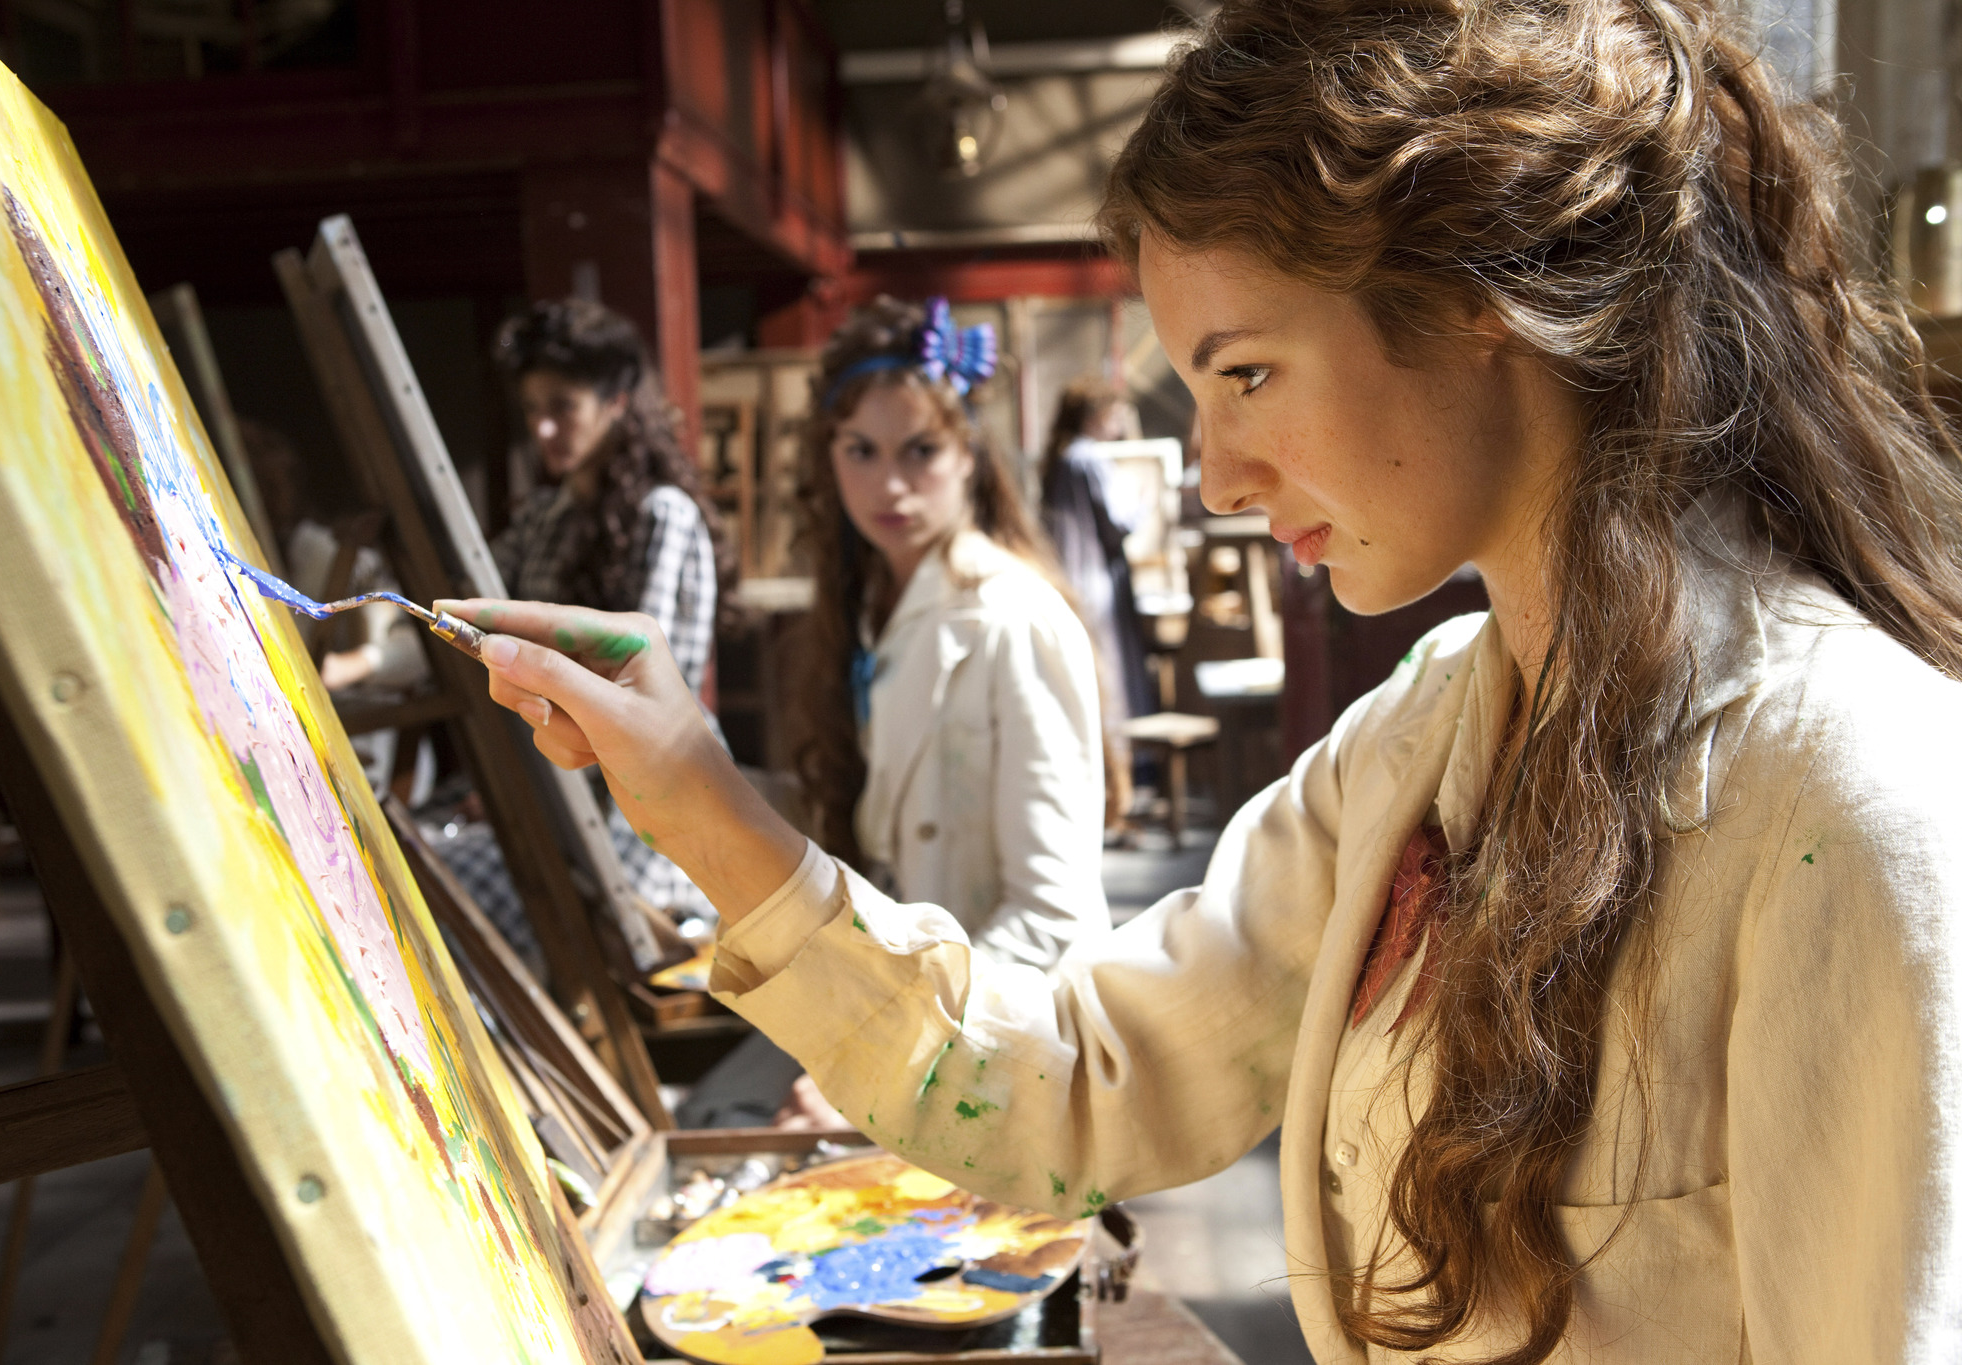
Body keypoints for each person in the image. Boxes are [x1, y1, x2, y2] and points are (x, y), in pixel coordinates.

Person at [451, 0, 1962, 1358]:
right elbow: (1077, 1081)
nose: (1219, 473)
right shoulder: (1429, 737)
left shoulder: (1850, 796)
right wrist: (701, 804)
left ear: (1476, 301)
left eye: (1245, 374)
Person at [686, 296, 1114, 1129]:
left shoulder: (1008, 617)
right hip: (906, 996)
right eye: (861, 451)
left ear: (968, 455)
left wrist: (897, 1058)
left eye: (920, 450)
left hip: (999, 1038)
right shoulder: (870, 606)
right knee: (717, 1113)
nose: (889, 485)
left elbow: (1051, 910)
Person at [491, 299, 732, 922]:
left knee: (591, 918)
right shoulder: (543, 519)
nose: (544, 429)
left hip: (652, 775)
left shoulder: (664, 515)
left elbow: (636, 689)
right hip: (556, 769)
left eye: (563, 407)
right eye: (533, 411)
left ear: (617, 401)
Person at [1038, 377, 1155, 836]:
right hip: (1098, 589)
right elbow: (1119, 521)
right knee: (1111, 688)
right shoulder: (1087, 458)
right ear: (1094, 414)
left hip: (1070, 581)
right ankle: (1121, 795)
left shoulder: (1061, 458)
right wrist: (1146, 500)